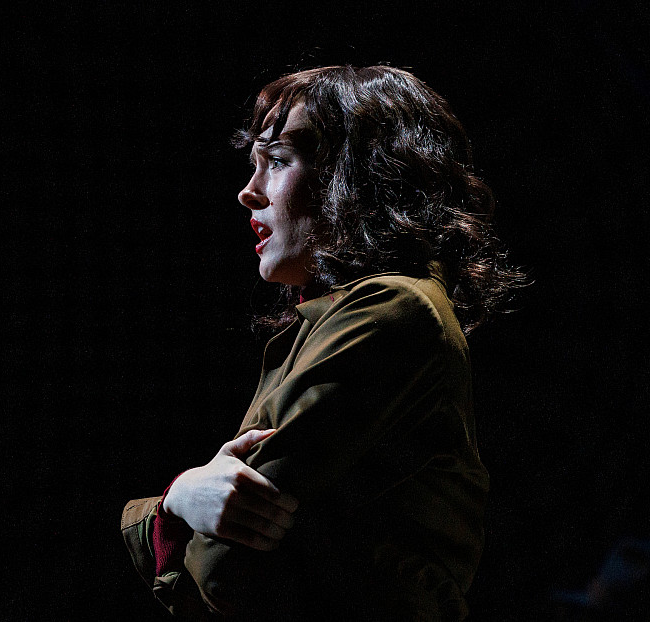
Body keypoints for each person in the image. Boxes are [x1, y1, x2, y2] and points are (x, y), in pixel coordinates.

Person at [121, 65, 525, 621]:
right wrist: (181, 499)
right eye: (253, 164)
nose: (248, 191)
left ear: (359, 178)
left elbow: (225, 561)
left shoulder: (392, 309)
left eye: (279, 161)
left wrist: (171, 510)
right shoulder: (344, 318)